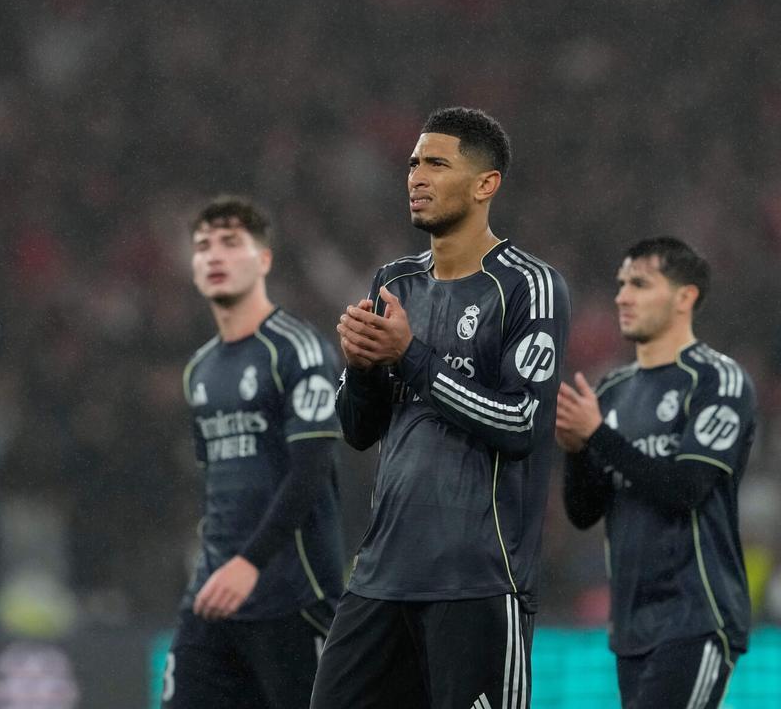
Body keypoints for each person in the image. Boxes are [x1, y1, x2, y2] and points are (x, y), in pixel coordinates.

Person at [311, 107, 571, 708]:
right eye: (411, 163)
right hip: (381, 575)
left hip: (477, 577)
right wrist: (361, 368)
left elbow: (523, 423)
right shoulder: (395, 281)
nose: (415, 176)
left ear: (486, 185)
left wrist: (411, 355)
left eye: (436, 163)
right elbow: (358, 429)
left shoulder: (528, 286)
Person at [161, 197, 345, 709]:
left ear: (263, 259)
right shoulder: (198, 369)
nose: (213, 256)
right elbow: (217, 481)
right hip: (215, 594)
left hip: (294, 595)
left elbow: (311, 470)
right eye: (203, 247)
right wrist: (215, 559)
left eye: (230, 243)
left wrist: (250, 561)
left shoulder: (298, 349)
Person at [556, 237, 753, 708]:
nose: (622, 296)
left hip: (697, 615)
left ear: (684, 297)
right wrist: (577, 451)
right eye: (622, 284)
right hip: (632, 625)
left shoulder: (716, 380)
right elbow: (584, 513)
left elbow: (686, 488)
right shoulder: (611, 389)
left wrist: (598, 437)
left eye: (640, 284)